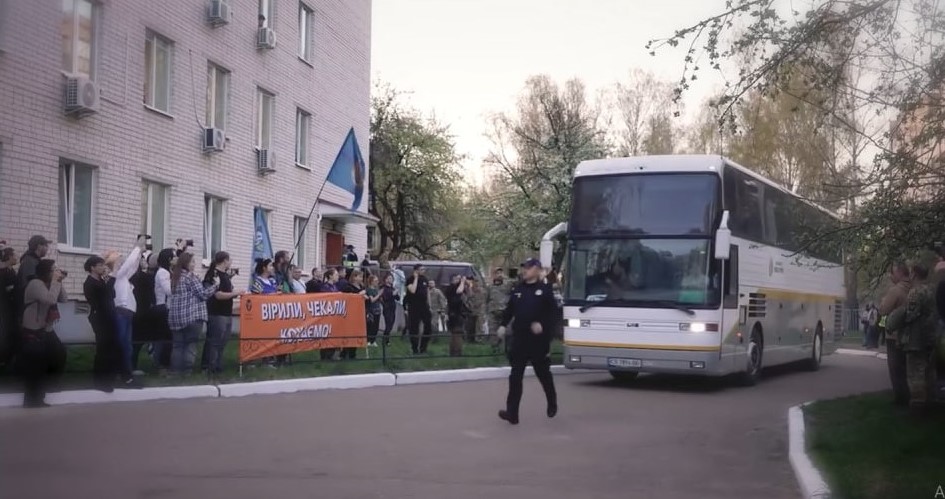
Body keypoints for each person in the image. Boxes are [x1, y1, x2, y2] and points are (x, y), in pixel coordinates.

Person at [495, 258, 558, 425]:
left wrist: (542, 325)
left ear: (537, 270)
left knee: (543, 374)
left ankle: (552, 402)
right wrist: (503, 325)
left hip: (538, 341)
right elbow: (509, 310)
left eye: (528, 268)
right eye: (524, 268)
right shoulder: (518, 290)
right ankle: (512, 413)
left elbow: (553, 315)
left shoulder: (545, 290)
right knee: (515, 377)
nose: (525, 271)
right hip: (520, 339)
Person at [886, 263, 937, 411]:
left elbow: (910, 314)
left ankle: (918, 407)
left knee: (916, 374)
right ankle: (930, 401)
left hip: (916, 339)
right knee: (929, 372)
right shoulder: (932, 290)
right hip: (930, 337)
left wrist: (893, 321)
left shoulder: (916, 292)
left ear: (914, 274)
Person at [18, 259, 68, 408]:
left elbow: (63, 299)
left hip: (46, 329)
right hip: (33, 330)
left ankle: (48, 387)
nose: (56, 272)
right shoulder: (36, 283)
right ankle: (32, 400)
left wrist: (59, 282)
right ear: (46, 271)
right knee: (36, 364)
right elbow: (50, 300)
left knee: (59, 354)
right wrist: (56, 282)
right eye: (54, 270)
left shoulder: (50, 284)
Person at [167, 252, 218, 375]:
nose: (194, 264)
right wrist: (216, 286)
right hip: (192, 316)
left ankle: (175, 371)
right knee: (190, 344)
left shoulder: (175, 277)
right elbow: (203, 294)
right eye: (192, 262)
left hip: (175, 317)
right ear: (186, 263)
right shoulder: (190, 277)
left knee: (177, 346)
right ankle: (187, 371)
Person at [108, 237, 146, 385]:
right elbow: (129, 265)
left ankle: (125, 374)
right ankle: (121, 374)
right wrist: (137, 248)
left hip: (127, 313)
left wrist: (139, 253)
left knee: (127, 346)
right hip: (121, 313)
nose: (122, 261)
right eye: (119, 260)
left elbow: (133, 267)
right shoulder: (116, 275)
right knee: (122, 344)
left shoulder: (122, 277)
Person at [83, 255, 119, 392]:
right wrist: (112, 277)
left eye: (103, 265)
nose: (103, 267)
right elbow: (101, 298)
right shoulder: (90, 283)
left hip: (109, 317)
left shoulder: (102, 281)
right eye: (100, 265)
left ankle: (109, 377)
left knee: (111, 347)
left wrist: (108, 280)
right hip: (100, 319)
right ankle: (100, 381)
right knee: (103, 349)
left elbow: (112, 295)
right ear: (92, 267)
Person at [878, 261, 912, 405]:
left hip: (895, 335)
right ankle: (911, 395)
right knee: (908, 368)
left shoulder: (896, 291)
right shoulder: (914, 288)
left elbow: (883, 310)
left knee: (895, 368)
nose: (891, 276)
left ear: (899, 272)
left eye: (892, 272)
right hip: (912, 335)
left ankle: (900, 398)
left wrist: (883, 301)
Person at [203, 251, 242, 375]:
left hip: (226, 312)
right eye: (229, 260)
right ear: (225, 261)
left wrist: (236, 293)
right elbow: (218, 295)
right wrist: (235, 293)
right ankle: (209, 366)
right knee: (214, 341)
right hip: (217, 313)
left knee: (223, 341)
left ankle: (218, 365)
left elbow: (228, 291)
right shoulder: (214, 274)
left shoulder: (225, 275)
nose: (231, 262)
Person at [251, 258, 282, 367]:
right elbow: (256, 298)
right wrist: (272, 295)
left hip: (272, 314)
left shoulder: (272, 281)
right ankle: (253, 359)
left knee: (271, 337)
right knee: (260, 337)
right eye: (270, 266)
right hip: (261, 314)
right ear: (264, 268)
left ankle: (269, 359)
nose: (272, 268)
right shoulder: (257, 281)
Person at [129, 251, 156, 375]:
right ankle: (132, 366)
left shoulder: (130, 277)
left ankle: (129, 365)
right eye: (142, 259)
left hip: (132, 311)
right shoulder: (145, 278)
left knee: (133, 340)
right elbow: (151, 294)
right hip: (142, 312)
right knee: (137, 342)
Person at [152, 249, 175, 371]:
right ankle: (161, 364)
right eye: (174, 257)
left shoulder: (167, 271)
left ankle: (163, 363)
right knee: (165, 337)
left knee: (167, 337)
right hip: (163, 307)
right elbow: (169, 291)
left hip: (166, 307)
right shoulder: (163, 273)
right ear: (169, 259)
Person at [405, 264, 434, 354]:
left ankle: (423, 347)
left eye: (424, 269)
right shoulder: (410, 279)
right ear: (416, 270)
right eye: (421, 269)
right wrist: (416, 278)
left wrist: (430, 306)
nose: (423, 271)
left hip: (424, 306)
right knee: (414, 328)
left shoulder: (425, 279)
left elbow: (427, 293)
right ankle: (414, 348)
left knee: (428, 327)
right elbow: (412, 290)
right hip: (414, 306)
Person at [339, 269, 367, 359]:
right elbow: (348, 298)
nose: (361, 278)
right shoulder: (348, 287)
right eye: (360, 276)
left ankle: (353, 353)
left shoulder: (361, 286)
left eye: (362, 277)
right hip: (350, 313)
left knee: (356, 333)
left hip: (359, 313)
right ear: (354, 277)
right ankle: (344, 353)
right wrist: (359, 294)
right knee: (349, 333)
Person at [315, 268, 341, 360]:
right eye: (336, 275)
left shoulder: (335, 286)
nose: (338, 277)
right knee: (326, 335)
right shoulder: (325, 287)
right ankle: (325, 355)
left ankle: (332, 354)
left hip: (334, 314)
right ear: (330, 276)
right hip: (327, 315)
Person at [486, 268, 512, 354]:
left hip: (504, 312)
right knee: (493, 331)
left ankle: (506, 349)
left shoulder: (507, 285)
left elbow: (516, 282)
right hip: (493, 312)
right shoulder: (490, 287)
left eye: (501, 273)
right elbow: (487, 299)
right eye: (497, 273)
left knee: (506, 332)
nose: (499, 275)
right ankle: (495, 349)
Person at [0, 247, 18, 366]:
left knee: (11, 332)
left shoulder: (11, 270)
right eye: (14, 256)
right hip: (5, 307)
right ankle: (3, 359)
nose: (16, 258)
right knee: (5, 332)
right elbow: (6, 290)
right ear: (9, 257)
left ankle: (9, 358)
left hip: (11, 307)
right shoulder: (4, 272)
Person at [445, 274, 468, 357]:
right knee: (456, 333)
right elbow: (459, 291)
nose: (459, 280)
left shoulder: (457, 287)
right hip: (454, 314)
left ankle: (456, 351)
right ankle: (456, 352)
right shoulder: (451, 288)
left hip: (459, 313)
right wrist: (463, 281)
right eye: (458, 279)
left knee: (458, 333)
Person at [380, 273, 399, 346]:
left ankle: (386, 339)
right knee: (388, 324)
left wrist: (396, 293)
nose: (390, 280)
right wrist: (393, 293)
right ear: (385, 280)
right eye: (389, 278)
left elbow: (397, 298)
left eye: (391, 278)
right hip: (387, 308)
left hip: (393, 308)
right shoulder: (384, 288)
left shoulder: (392, 288)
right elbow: (386, 297)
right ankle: (385, 340)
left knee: (391, 324)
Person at [365, 274, 383, 347]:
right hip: (371, 310)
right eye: (375, 281)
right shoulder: (369, 290)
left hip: (377, 309)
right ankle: (369, 340)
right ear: (371, 282)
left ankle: (373, 340)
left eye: (377, 281)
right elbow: (372, 300)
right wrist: (379, 295)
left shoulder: (376, 289)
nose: (377, 282)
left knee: (376, 326)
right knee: (371, 325)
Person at [464, 278, 485, 344]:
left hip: (479, 310)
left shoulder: (481, 290)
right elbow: (467, 298)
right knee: (470, 325)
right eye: (474, 281)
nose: (476, 283)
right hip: (470, 310)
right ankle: (470, 338)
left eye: (477, 281)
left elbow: (481, 300)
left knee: (479, 326)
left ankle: (479, 339)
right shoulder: (469, 289)